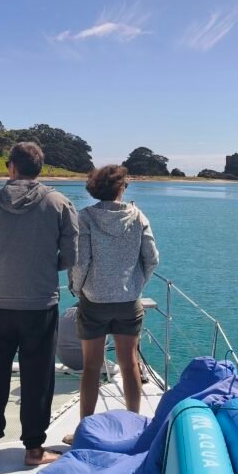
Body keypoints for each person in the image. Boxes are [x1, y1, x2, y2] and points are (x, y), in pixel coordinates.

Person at [0, 142, 78, 466]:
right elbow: (72, 256)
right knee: (38, 377)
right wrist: (43, 264)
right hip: (41, 304)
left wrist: (5, 262)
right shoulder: (60, 204)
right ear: (40, 169)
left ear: (11, 167)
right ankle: (33, 449)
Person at [70, 164, 159, 428]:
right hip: (128, 302)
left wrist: (78, 288)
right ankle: (134, 424)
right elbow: (152, 259)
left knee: (91, 367)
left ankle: (85, 428)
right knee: (130, 364)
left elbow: (80, 262)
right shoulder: (138, 217)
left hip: (93, 301)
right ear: (121, 188)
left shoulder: (85, 218)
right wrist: (136, 284)